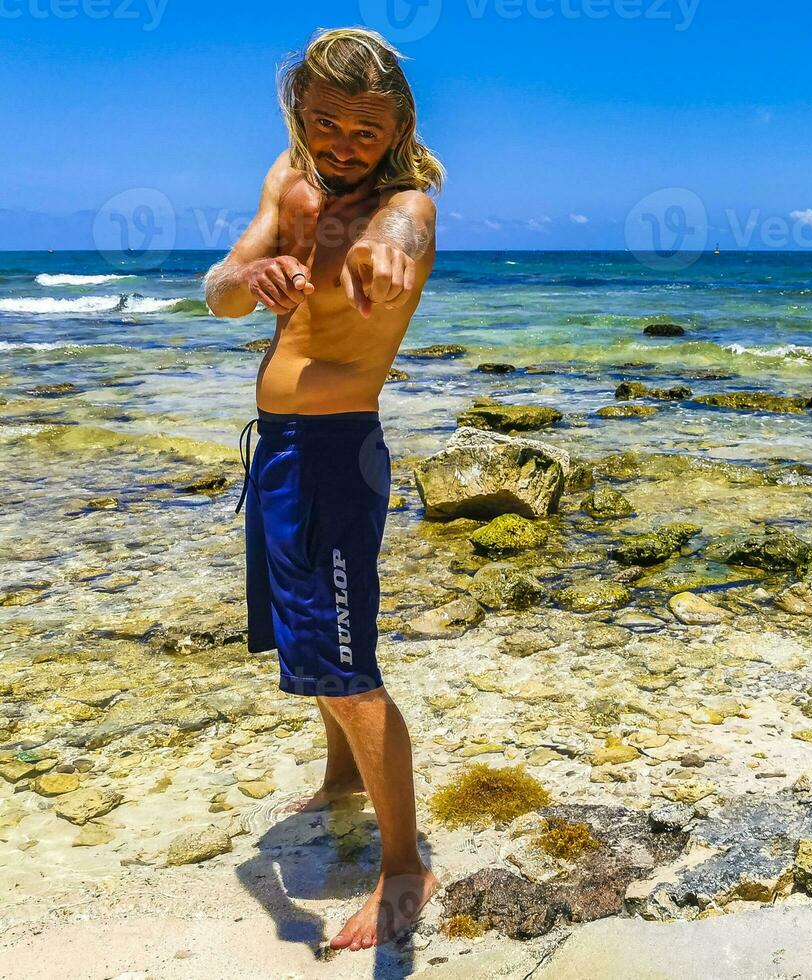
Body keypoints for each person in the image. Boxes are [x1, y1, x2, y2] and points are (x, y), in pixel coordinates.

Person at [202, 26, 443, 952]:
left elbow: (401, 234)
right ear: (298, 113)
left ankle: (404, 868)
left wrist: (386, 255)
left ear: (398, 125)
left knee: (345, 666)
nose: (346, 144)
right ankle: (343, 779)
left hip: (337, 455)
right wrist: (247, 275)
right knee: (304, 640)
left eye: (366, 129)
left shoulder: (406, 203)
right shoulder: (286, 179)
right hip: (277, 448)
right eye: (328, 124)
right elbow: (218, 288)